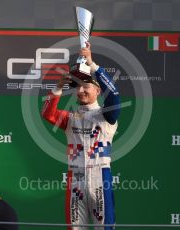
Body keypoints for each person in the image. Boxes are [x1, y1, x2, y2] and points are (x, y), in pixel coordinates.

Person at [42, 42, 120, 230]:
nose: (81, 90)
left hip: (100, 177)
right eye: (78, 87)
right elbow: (47, 114)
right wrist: (58, 88)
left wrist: (93, 66)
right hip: (75, 178)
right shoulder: (70, 118)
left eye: (86, 86)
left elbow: (114, 95)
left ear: (98, 91)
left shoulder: (107, 116)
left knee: (104, 228)